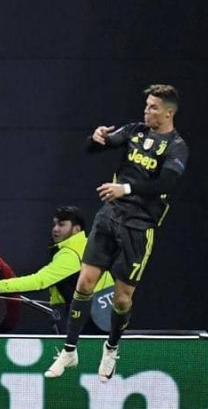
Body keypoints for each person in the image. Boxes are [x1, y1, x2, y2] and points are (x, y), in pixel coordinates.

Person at [44, 84, 189, 381]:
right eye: (146, 105)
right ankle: (69, 350)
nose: (146, 111)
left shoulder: (176, 147)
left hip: (140, 227)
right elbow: (96, 146)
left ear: (168, 113)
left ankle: (111, 348)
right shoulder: (135, 131)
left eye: (153, 107)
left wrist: (126, 188)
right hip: (109, 217)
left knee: (122, 299)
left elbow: (166, 184)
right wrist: (95, 138)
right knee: (85, 282)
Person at [0, 206, 114, 333]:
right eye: (54, 224)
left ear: (76, 229)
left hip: (91, 322)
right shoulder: (88, 245)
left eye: (61, 225)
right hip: (105, 318)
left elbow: (39, 281)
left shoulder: (71, 254)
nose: (55, 229)